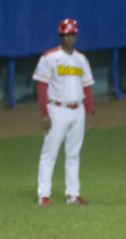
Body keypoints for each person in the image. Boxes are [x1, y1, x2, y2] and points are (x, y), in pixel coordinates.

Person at [33, 18, 94, 207]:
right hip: (57, 110)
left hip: (78, 110)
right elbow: (41, 86)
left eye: (73, 34)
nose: (71, 38)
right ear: (61, 36)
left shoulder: (81, 59)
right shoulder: (49, 57)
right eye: (67, 34)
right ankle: (44, 195)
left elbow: (87, 86)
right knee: (49, 154)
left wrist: (89, 111)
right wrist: (44, 113)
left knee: (74, 153)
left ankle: (73, 195)